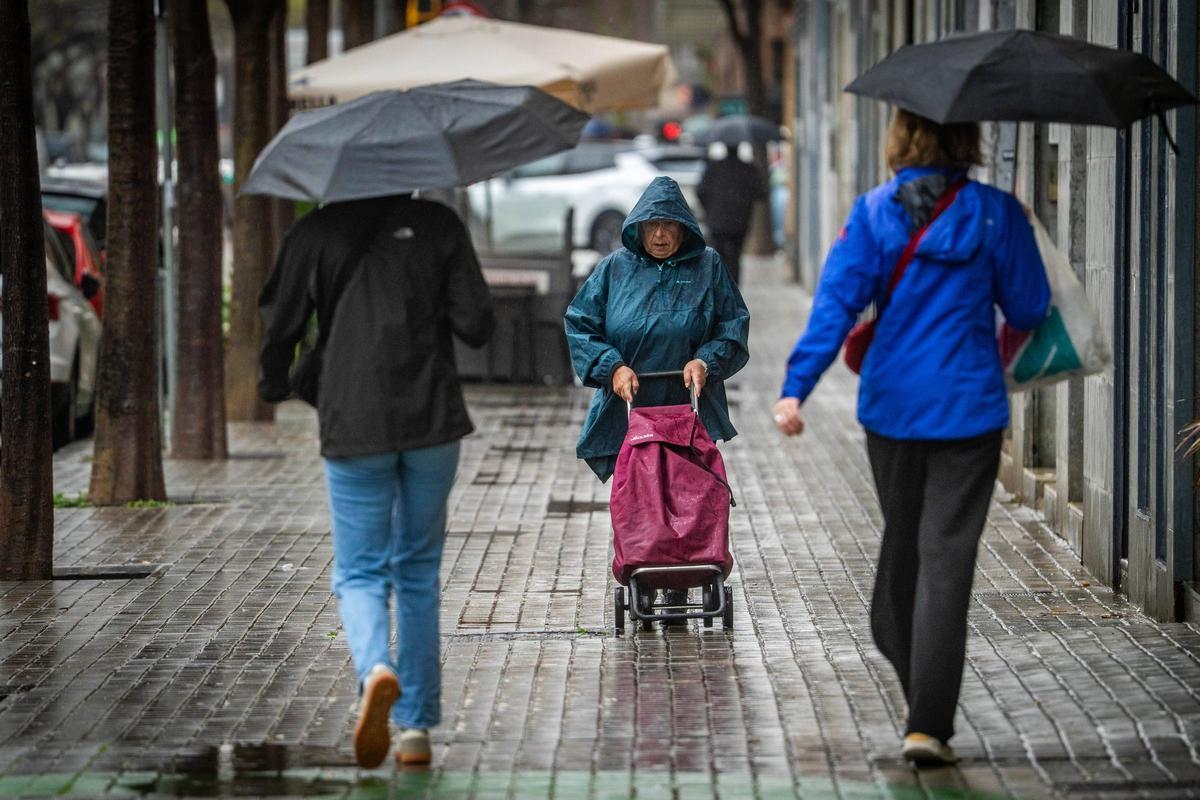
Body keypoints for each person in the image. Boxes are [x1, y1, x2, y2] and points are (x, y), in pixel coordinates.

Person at [773, 109, 1050, 766]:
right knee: (946, 562)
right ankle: (927, 723)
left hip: (893, 410)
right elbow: (1030, 307)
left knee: (905, 555)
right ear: (967, 139)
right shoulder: (995, 213)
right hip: (970, 410)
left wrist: (795, 388)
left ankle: (924, 714)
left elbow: (836, 304)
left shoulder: (873, 213)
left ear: (900, 138)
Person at [258, 193, 495, 768]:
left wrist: (274, 382)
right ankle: (415, 730)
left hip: (353, 418)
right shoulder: (438, 223)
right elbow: (477, 324)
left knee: (360, 570)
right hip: (432, 418)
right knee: (417, 571)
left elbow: (280, 322)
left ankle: (375, 672)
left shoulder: (315, 231)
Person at [564, 175, 750, 619]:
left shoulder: (707, 266)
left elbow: (732, 324)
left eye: (669, 225)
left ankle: (685, 570)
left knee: (690, 493)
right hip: (632, 404)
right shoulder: (614, 269)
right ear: (638, 228)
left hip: (689, 404)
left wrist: (706, 360)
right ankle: (649, 566)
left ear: (684, 228)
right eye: (652, 226)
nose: (661, 235)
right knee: (642, 494)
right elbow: (580, 323)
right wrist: (613, 367)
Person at [696, 141, 768, 285]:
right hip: (739, 221)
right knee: (735, 255)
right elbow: (760, 193)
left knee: (717, 254)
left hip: (717, 221)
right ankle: (734, 286)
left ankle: (719, 284)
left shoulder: (714, 168)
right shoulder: (747, 169)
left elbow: (700, 191)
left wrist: (709, 209)